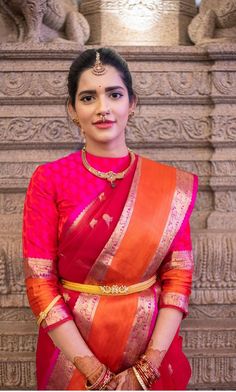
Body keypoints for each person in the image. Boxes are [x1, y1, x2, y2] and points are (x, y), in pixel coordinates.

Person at [23, 47, 198, 390]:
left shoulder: (167, 186)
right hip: (72, 351)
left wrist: (146, 369)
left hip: (151, 347)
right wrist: (96, 374)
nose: (103, 108)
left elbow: (178, 276)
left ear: (132, 103)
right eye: (88, 97)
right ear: (73, 110)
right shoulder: (49, 180)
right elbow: (40, 283)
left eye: (114, 94)